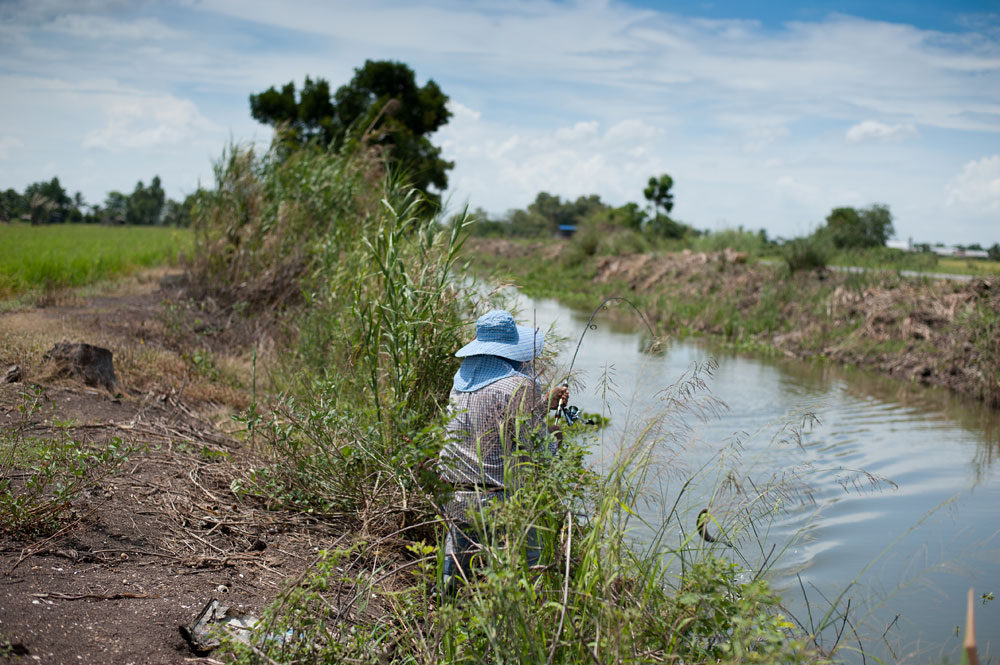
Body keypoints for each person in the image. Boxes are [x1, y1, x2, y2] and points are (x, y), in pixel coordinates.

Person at [437, 309, 568, 590]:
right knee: (531, 562)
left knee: (455, 568)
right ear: (512, 348)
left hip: (453, 493)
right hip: (496, 498)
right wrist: (555, 436)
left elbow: (495, 418)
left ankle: (444, 608)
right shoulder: (519, 385)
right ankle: (532, 609)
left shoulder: (460, 382)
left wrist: (544, 404)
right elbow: (539, 453)